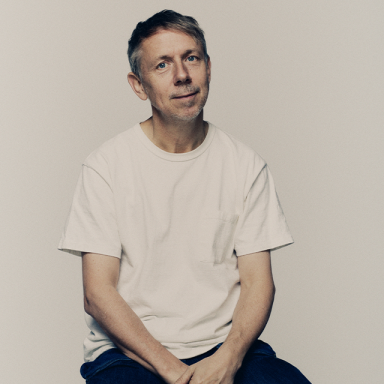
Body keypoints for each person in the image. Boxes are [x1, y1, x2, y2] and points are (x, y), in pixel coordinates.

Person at [58, 9, 311, 384]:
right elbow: (97, 292)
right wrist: (175, 372)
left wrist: (226, 361)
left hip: (224, 347)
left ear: (208, 67)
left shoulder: (245, 165)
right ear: (138, 84)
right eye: (162, 65)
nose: (181, 75)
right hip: (129, 354)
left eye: (190, 58)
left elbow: (260, 283)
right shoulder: (106, 167)